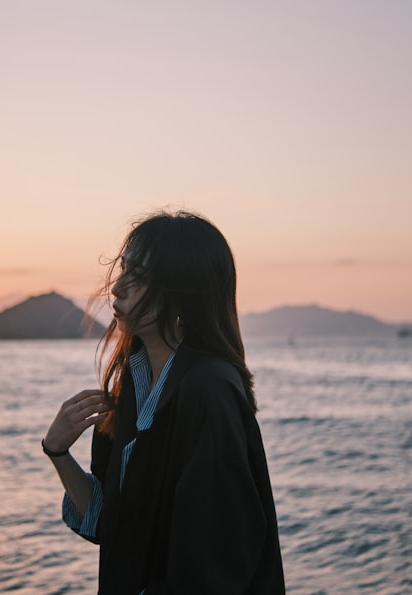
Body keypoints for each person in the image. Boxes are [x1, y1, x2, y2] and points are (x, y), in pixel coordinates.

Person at [43, 210, 285, 593]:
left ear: (182, 291)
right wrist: (57, 450)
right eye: (123, 271)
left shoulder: (210, 391)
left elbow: (218, 563)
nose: (117, 288)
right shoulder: (131, 387)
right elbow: (109, 525)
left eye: (137, 277)